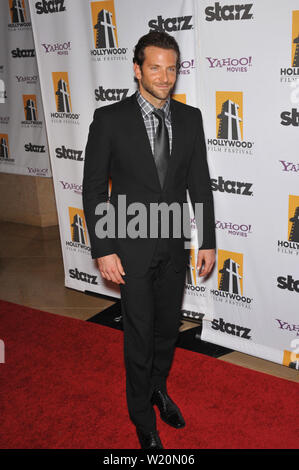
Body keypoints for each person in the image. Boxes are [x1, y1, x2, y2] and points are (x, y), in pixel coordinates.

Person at [83, 31, 216, 449]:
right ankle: (142, 416)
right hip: (130, 248)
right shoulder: (109, 119)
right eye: (155, 67)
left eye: (171, 67)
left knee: (164, 332)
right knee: (139, 335)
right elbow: (92, 190)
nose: (164, 76)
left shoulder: (190, 118)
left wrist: (206, 240)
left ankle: (158, 389)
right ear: (137, 69)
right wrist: (103, 247)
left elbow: (201, 185)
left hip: (173, 244)